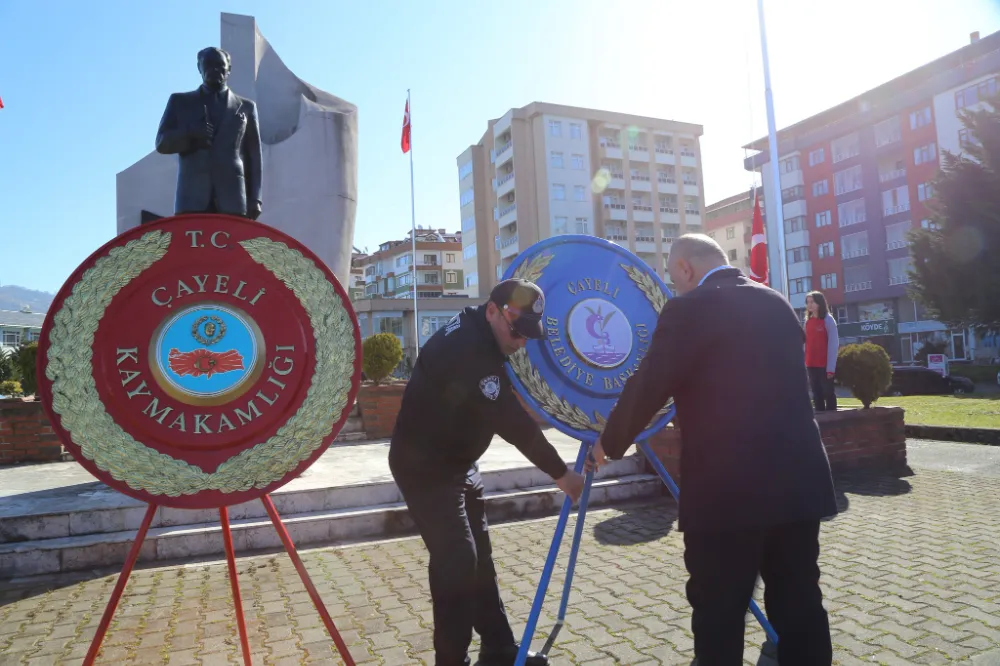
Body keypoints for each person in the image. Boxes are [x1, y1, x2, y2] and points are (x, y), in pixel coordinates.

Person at [589, 235, 838, 665]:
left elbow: (650, 383)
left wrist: (608, 443)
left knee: (719, 616)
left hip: (728, 494)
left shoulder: (689, 309)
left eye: (673, 278)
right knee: (800, 607)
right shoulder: (776, 303)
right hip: (799, 485)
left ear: (685, 268)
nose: (674, 288)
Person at [389, 278, 586, 666]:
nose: (520, 342)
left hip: (458, 463)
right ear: (493, 310)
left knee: (479, 560)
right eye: (517, 331)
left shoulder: (484, 330)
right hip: (425, 469)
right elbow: (512, 422)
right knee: (458, 562)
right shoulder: (469, 349)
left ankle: (498, 648)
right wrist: (561, 473)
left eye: (528, 334)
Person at [155, 47, 263, 220]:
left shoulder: (247, 107)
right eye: (208, 64)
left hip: (233, 197)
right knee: (189, 247)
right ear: (199, 67)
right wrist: (191, 133)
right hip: (191, 197)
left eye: (220, 65)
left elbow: (254, 156)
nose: (214, 69)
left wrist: (256, 198)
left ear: (229, 69)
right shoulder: (180, 102)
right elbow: (162, 143)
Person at [804, 291, 839, 412]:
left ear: (820, 303)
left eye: (812, 302)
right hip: (811, 365)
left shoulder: (829, 320)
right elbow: (806, 345)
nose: (810, 305)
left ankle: (833, 421)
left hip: (824, 366)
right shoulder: (807, 322)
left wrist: (831, 368)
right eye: (808, 302)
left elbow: (833, 345)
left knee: (828, 393)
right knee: (816, 394)